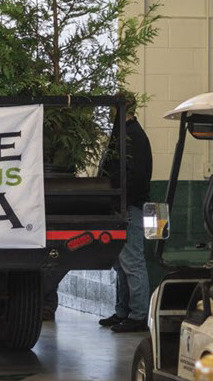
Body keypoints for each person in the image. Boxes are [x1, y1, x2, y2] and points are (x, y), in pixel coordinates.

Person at [98, 90, 153, 333]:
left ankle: (138, 315)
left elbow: (137, 176)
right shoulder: (125, 134)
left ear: (119, 109)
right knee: (122, 263)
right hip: (124, 205)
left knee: (131, 262)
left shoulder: (134, 137)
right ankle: (124, 311)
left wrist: (121, 200)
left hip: (129, 206)